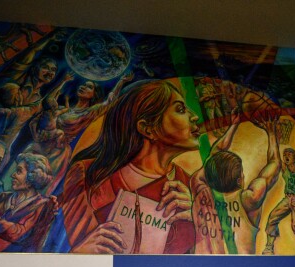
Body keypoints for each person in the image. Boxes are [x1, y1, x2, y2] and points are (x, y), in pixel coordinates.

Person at [62, 79, 198, 254]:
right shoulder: (88, 176)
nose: (194, 116)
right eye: (180, 109)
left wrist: (200, 222)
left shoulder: (191, 188)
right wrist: (80, 253)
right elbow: (72, 247)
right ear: (147, 129)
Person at [190, 110, 282, 255]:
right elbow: (274, 164)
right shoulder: (249, 199)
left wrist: (233, 125)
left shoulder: (199, 190)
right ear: (240, 180)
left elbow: (215, 153)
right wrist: (271, 132)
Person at [0, 152, 56, 252]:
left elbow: (20, 235)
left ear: (32, 177)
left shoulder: (42, 205)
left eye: (18, 171)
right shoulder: (3, 197)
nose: (12, 175)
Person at [262, 147, 295, 255]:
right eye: (285, 154)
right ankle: (269, 246)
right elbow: (274, 157)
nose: (286, 156)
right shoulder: (284, 169)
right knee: (272, 217)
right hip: (287, 198)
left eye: (289, 154)